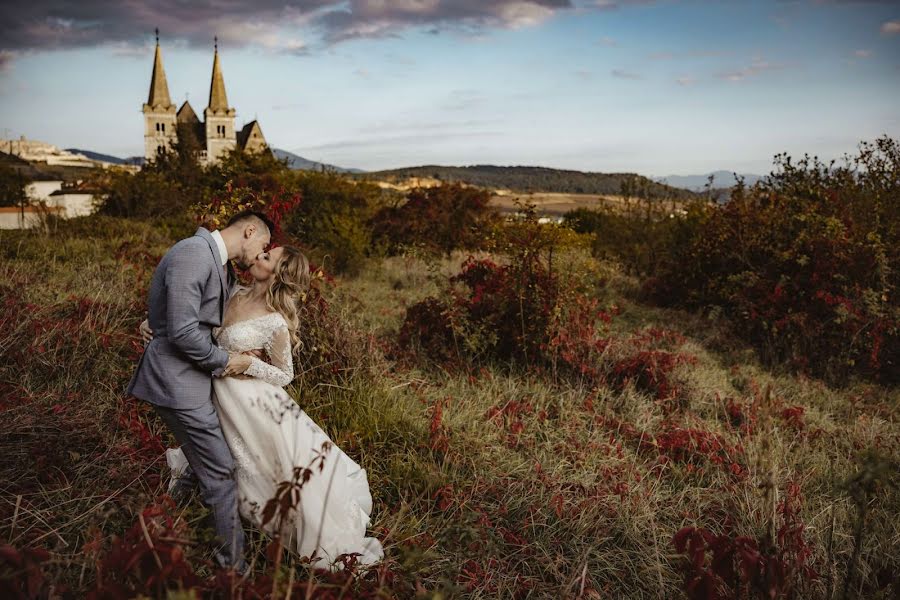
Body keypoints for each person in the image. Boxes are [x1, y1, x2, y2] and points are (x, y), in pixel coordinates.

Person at [160, 244, 383, 569]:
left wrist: (247, 365)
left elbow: (284, 374)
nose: (258, 257)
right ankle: (186, 512)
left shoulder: (274, 322)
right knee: (212, 453)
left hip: (254, 403)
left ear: (278, 273)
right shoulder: (232, 291)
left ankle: (274, 537)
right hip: (218, 396)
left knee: (271, 468)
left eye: (267, 257)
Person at [128, 210, 273, 572]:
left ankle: (156, 526)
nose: (260, 255)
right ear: (250, 230)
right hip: (177, 384)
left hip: (191, 380)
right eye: (263, 246)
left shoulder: (219, 264)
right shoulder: (194, 253)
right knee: (222, 473)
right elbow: (182, 332)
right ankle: (234, 570)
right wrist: (226, 360)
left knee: (201, 459)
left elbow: (189, 318)